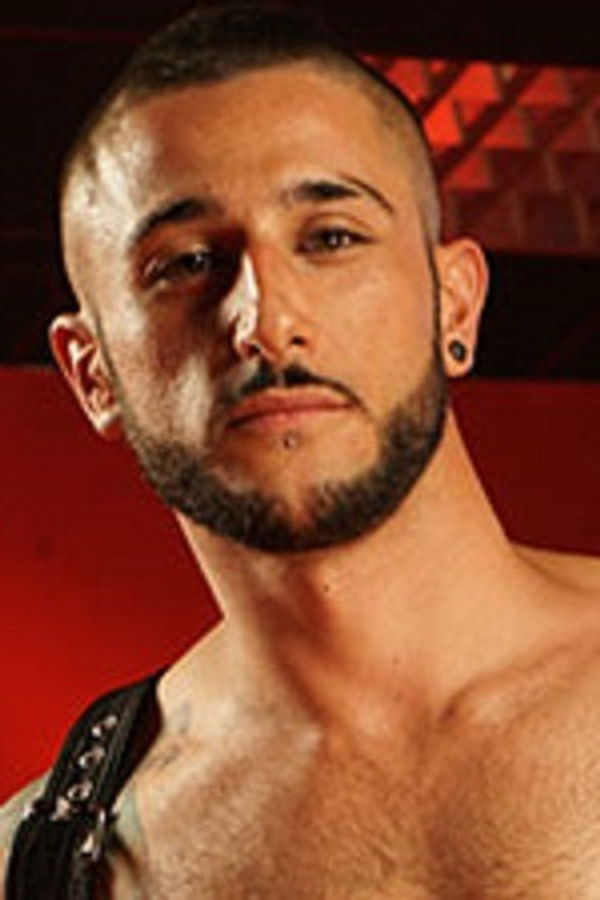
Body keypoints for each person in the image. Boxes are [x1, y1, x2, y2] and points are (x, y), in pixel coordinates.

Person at [2, 2, 599, 896]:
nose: (266, 320)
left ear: (456, 304)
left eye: (331, 238)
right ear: (93, 374)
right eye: (185, 263)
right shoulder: (42, 861)